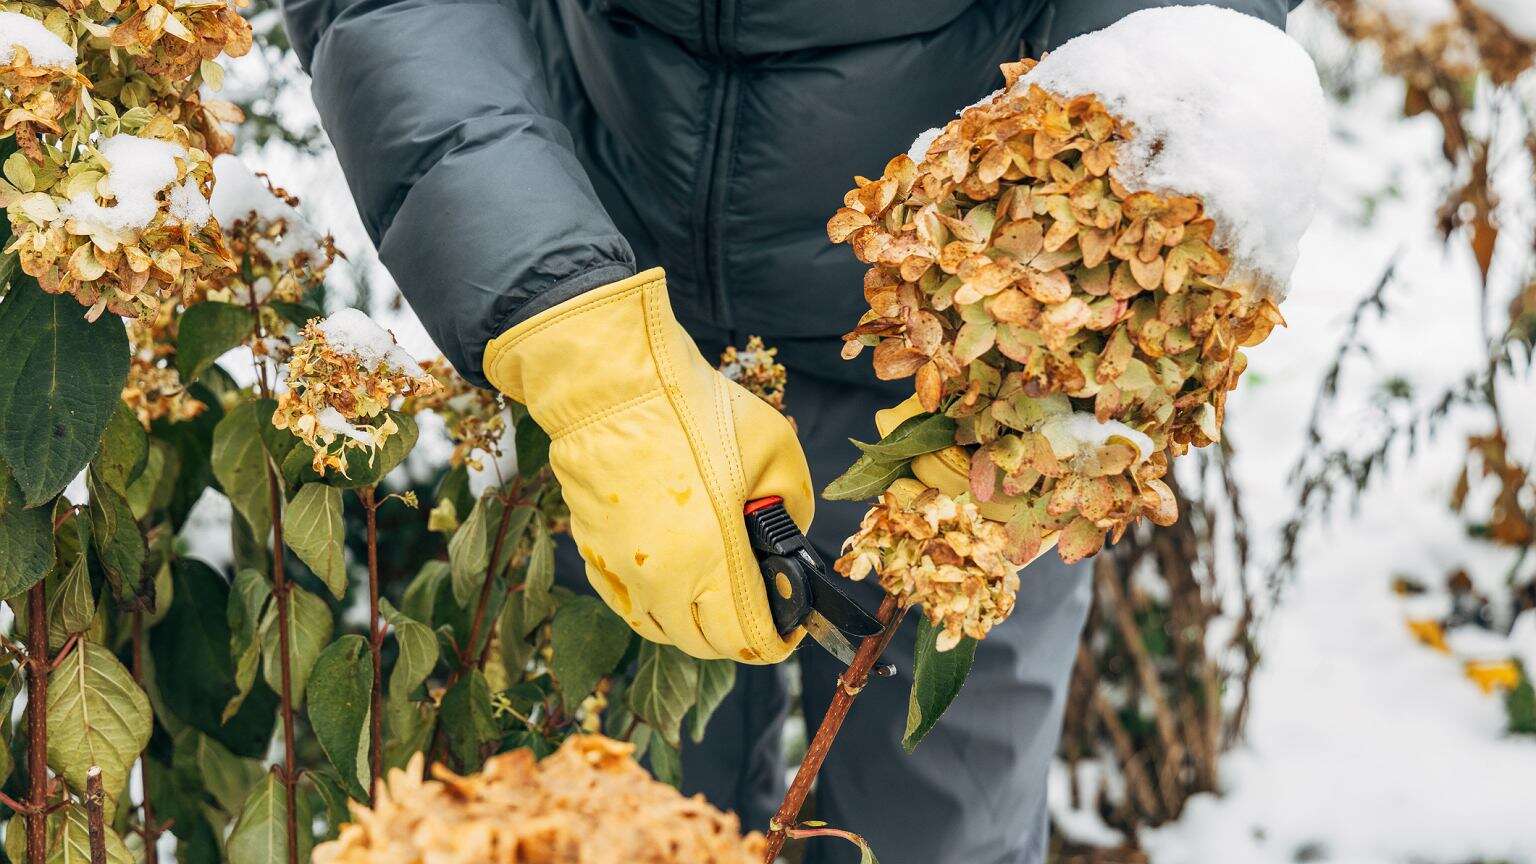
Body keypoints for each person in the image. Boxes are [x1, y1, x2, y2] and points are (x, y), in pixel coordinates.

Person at [279, 1, 1301, 861]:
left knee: (939, 820)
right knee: (620, 795)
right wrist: (581, 345)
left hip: (953, 351)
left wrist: (1067, 331)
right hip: (602, 267)